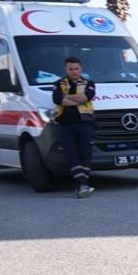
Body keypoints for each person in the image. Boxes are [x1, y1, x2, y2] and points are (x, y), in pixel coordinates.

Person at [51, 56, 96, 198]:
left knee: (85, 153)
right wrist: (78, 99)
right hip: (65, 124)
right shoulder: (59, 83)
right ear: (66, 69)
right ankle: (83, 184)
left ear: (81, 68)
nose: (74, 71)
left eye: (76, 68)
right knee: (71, 153)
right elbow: (57, 99)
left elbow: (87, 97)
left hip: (85, 123)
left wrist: (68, 98)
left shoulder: (89, 83)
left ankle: (82, 184)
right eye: (71, 69)